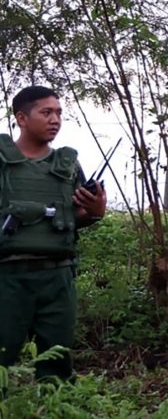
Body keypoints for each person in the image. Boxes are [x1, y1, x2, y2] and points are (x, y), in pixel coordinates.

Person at [0, 86, 106, 381]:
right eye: (46, 112)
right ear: (21, 118)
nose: (55, 119)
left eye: (58, 113)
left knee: (57, 364)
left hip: (57, 277)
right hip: (7, 277)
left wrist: (95, 209)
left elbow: (75, 216)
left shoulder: (67, 165)